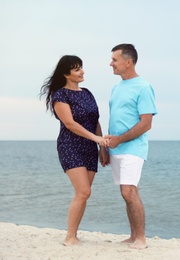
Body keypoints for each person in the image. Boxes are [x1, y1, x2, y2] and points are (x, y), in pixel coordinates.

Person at [39, 55, 108, 246]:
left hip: (90, 147)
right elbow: (69, 124)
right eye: (77, 69)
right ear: (66, 74)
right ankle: (70, 237)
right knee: (83, 191)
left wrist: (102, 147)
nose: (82, 71)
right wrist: (97, 139)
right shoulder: (61, 95)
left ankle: (74, 234)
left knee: (84, 193)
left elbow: (95, 121)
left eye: (82, 67)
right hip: (70, 145)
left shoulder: (87, 93)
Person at [102, 44, 157, 249]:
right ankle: (134, 235)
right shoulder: (116, 88)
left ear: (128, 61)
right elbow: (115, 120)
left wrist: (119, 140)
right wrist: (106, 146)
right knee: (128, 192)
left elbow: (146, 123)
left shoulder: (143, 86)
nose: (111, 64)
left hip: (133, 147)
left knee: (128, 192)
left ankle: (141, 238)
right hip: (116, 148)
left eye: (114, 60)